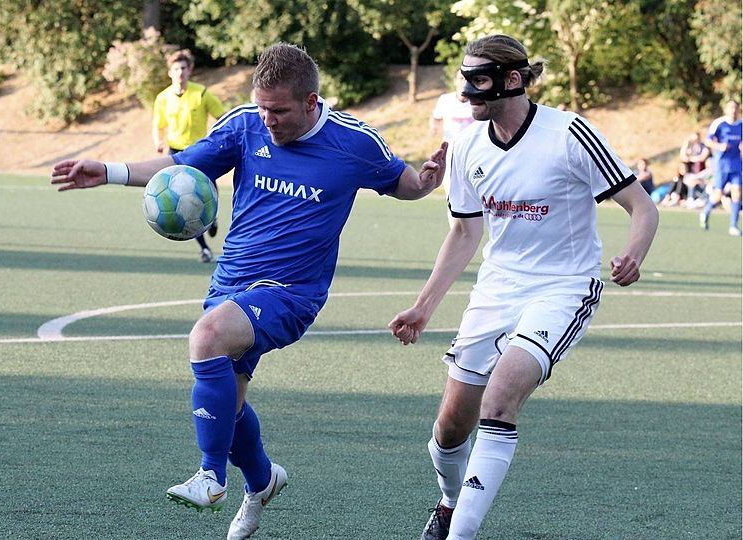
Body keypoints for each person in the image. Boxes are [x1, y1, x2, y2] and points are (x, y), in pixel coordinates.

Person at [51, 42, 448, 540]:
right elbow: (181, 168)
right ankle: (261, 482)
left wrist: (426, 182)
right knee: (230, 405)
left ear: (310, 101)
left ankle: (209, 477)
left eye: (279, 111)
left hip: (292, 293)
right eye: (262, 108)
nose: (268, 120)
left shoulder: (354, 142)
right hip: (232, 280)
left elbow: (404, 183)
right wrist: (107, 172)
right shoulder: (243, 124)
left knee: (207, 337)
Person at [388, 34, 658, 540]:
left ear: (513, 80)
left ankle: (461, 535)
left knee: (501, 398)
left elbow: (642, 206)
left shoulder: (571, 133)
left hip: (563, 287)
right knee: (449, 430)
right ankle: (450, 503)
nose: (467, 92)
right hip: (496, 290)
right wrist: (424, 306)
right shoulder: (467, 145)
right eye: (463, 79)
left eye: (479, 80)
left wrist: (633, 256)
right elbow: (465, 231)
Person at [153, 49, 228, 263]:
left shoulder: (201, 93)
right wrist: (158, 141)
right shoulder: (163, 98)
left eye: (183, 68)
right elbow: (157, 125)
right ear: (170, 72)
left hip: (201, 153)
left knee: (208, 196)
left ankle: (212, 218)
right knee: (186, 206)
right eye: (176, 69)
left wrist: (217, 140)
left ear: (190, 70)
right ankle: (204, 249)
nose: (180, 72)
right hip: (176, 154)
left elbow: (223, 118)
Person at [699, 99, 742, 236]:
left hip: (736, 164)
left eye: (735, 107)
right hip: (721, 164)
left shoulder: (741, 124)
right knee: (718, 194)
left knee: (737, 193)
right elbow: (707, 140)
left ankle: (733, 226)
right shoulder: (719, 123)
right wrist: (719, 146)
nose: (733, 110)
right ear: (726, 109)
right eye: (731, 107)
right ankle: (705, 211)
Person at [431, 71, 475, 143]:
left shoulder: (478, 102)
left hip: (472, 147)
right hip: (450, 147)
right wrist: (434, 127)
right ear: (455, 81)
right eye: (461, 78)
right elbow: (436, 117)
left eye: (467, 79)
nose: (464, 82)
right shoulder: (445, 100)